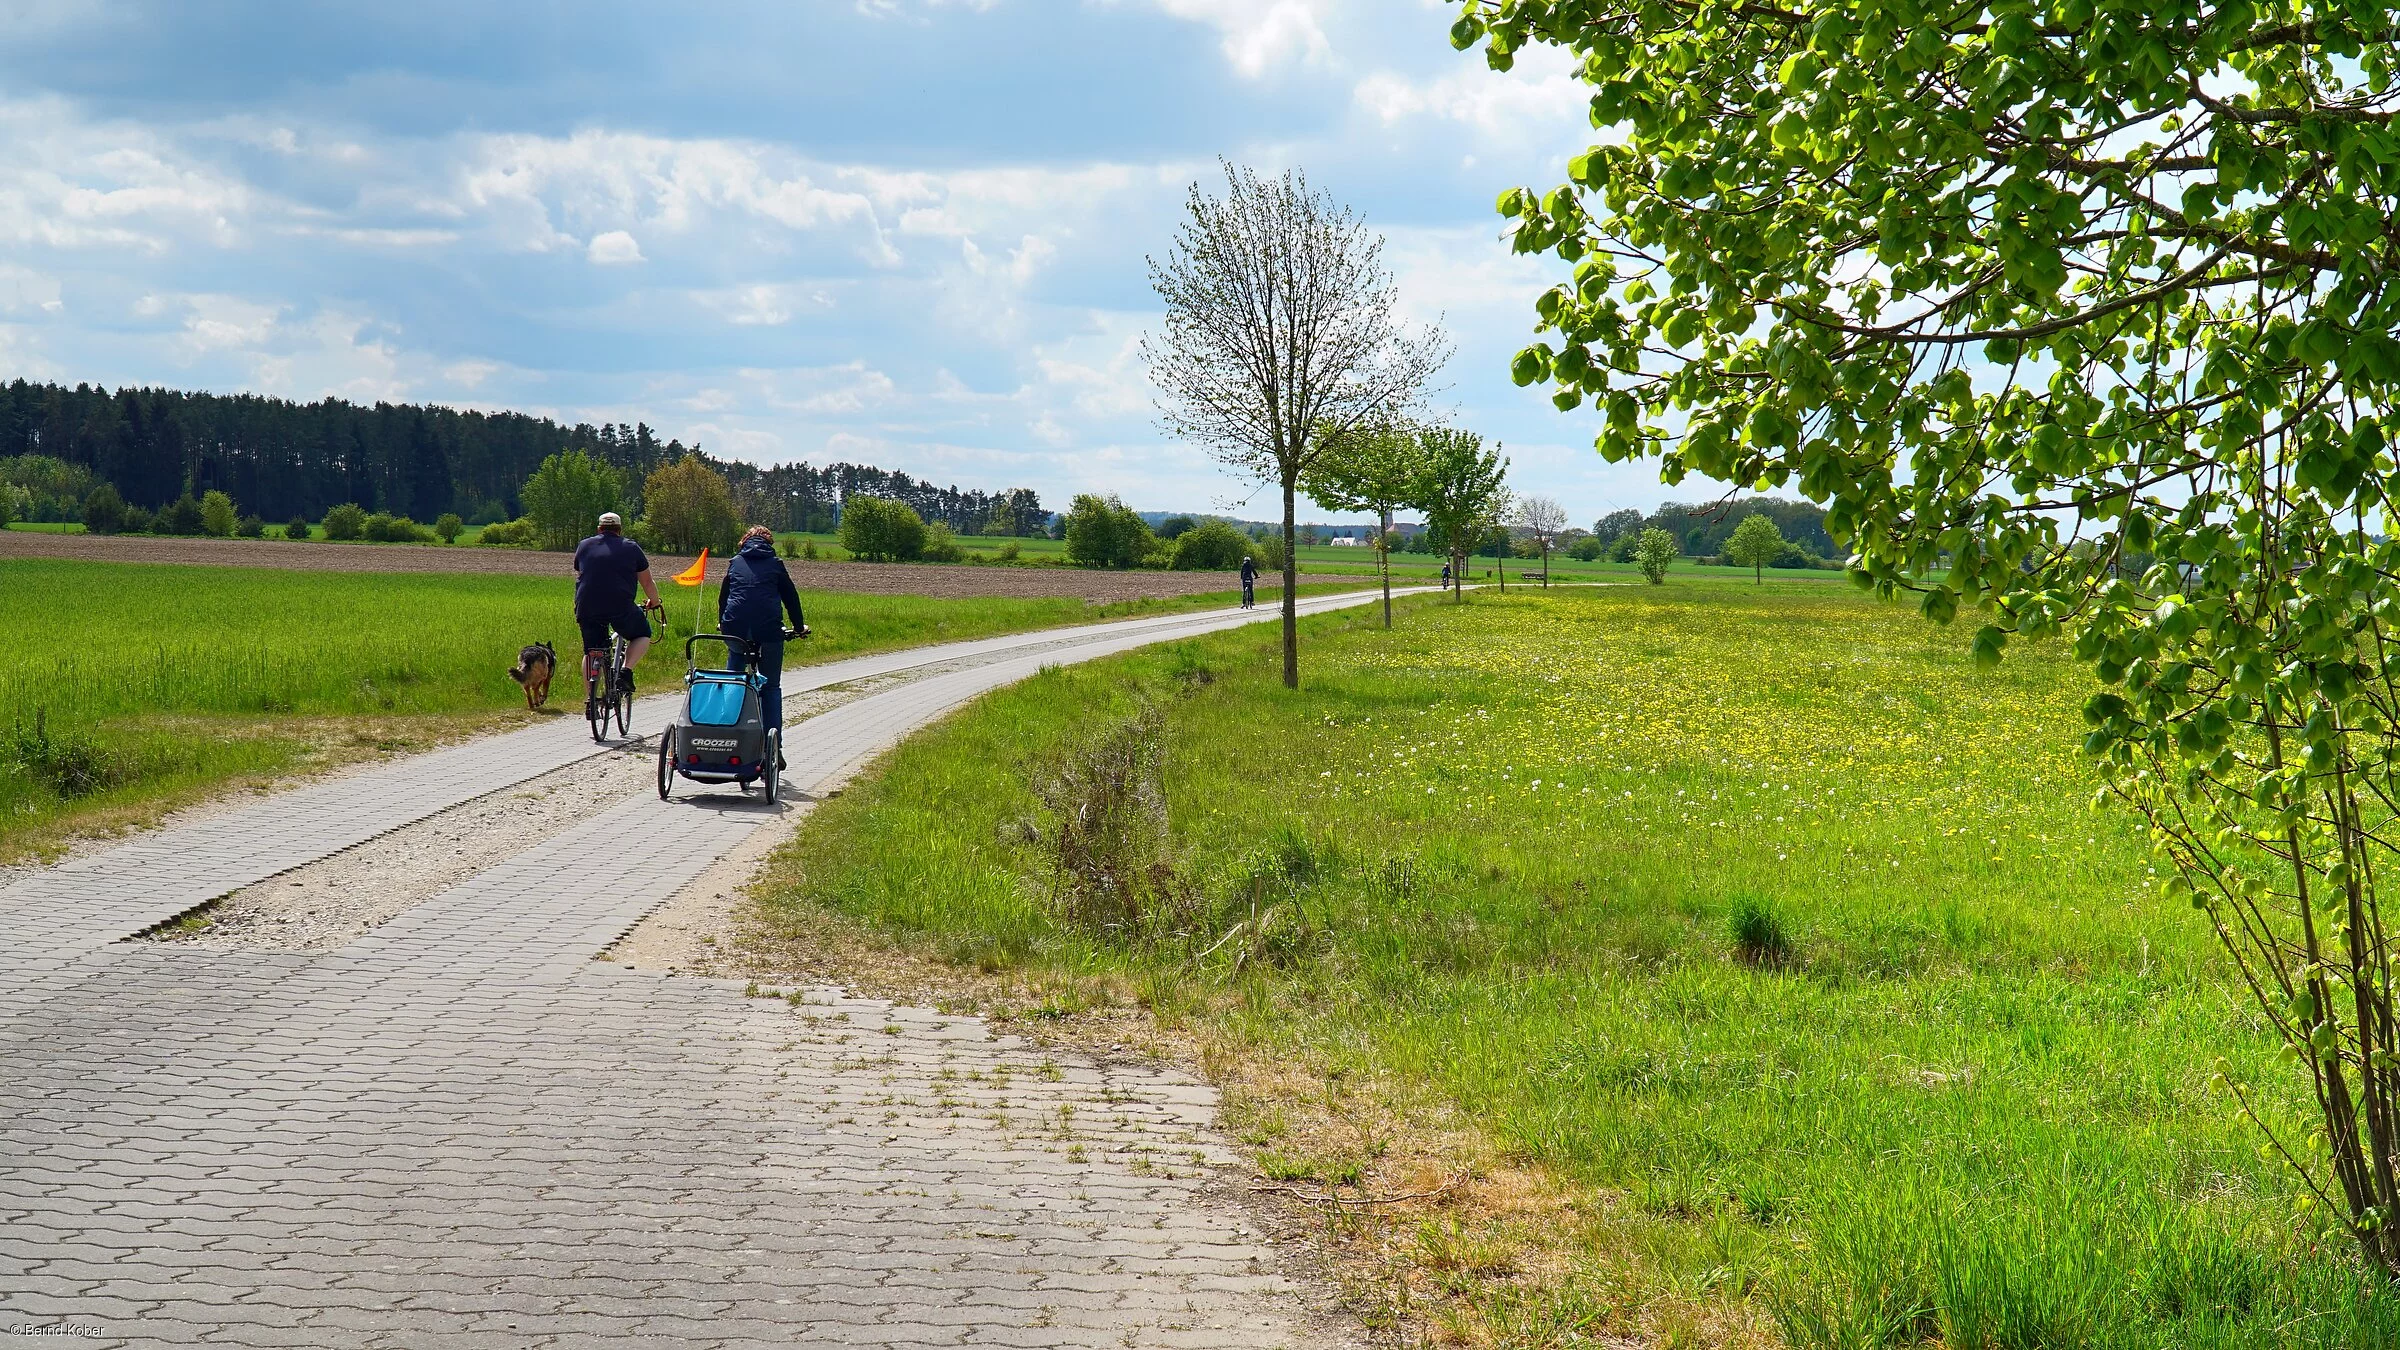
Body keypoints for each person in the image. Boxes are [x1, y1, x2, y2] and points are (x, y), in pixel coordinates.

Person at [717, 525, 810, 769]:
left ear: (744, 542)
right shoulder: (776, 564)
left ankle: (725, 736)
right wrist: (799, 627)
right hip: (769, 631)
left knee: (734, 682)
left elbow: (724, 598)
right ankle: (774, 747)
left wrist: (723, 623)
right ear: (769, 543)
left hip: (734, 629)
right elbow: (791, 598)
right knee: (770, 687)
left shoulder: (735, 562)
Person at [572, 512, 664, 711]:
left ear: (599, 529)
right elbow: (646, 582)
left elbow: (581, 573)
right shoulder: (631, 547)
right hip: (619, 606)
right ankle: (626, 671)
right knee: (642, 633)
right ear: (619, 530)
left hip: (587, 606)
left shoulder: (584, 545)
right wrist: (654, 602)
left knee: (591, 651)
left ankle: (591, 699)